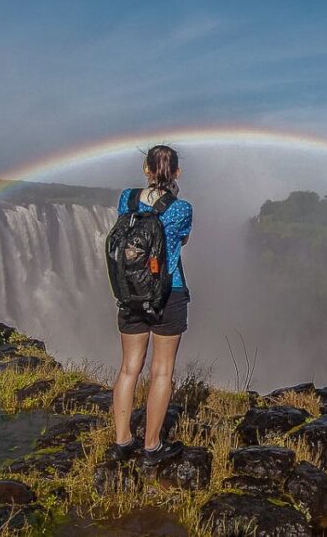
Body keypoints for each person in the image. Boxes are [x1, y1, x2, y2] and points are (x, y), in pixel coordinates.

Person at [108, 144, 192, 466]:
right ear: (177, 172)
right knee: (161, 372)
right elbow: (181, 241)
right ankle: (152, 446)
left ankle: (122, 440)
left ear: (145, 168)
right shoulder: (181, 208)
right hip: (169, 293)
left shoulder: (125, 199)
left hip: (130, 294)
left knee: (129, 368)